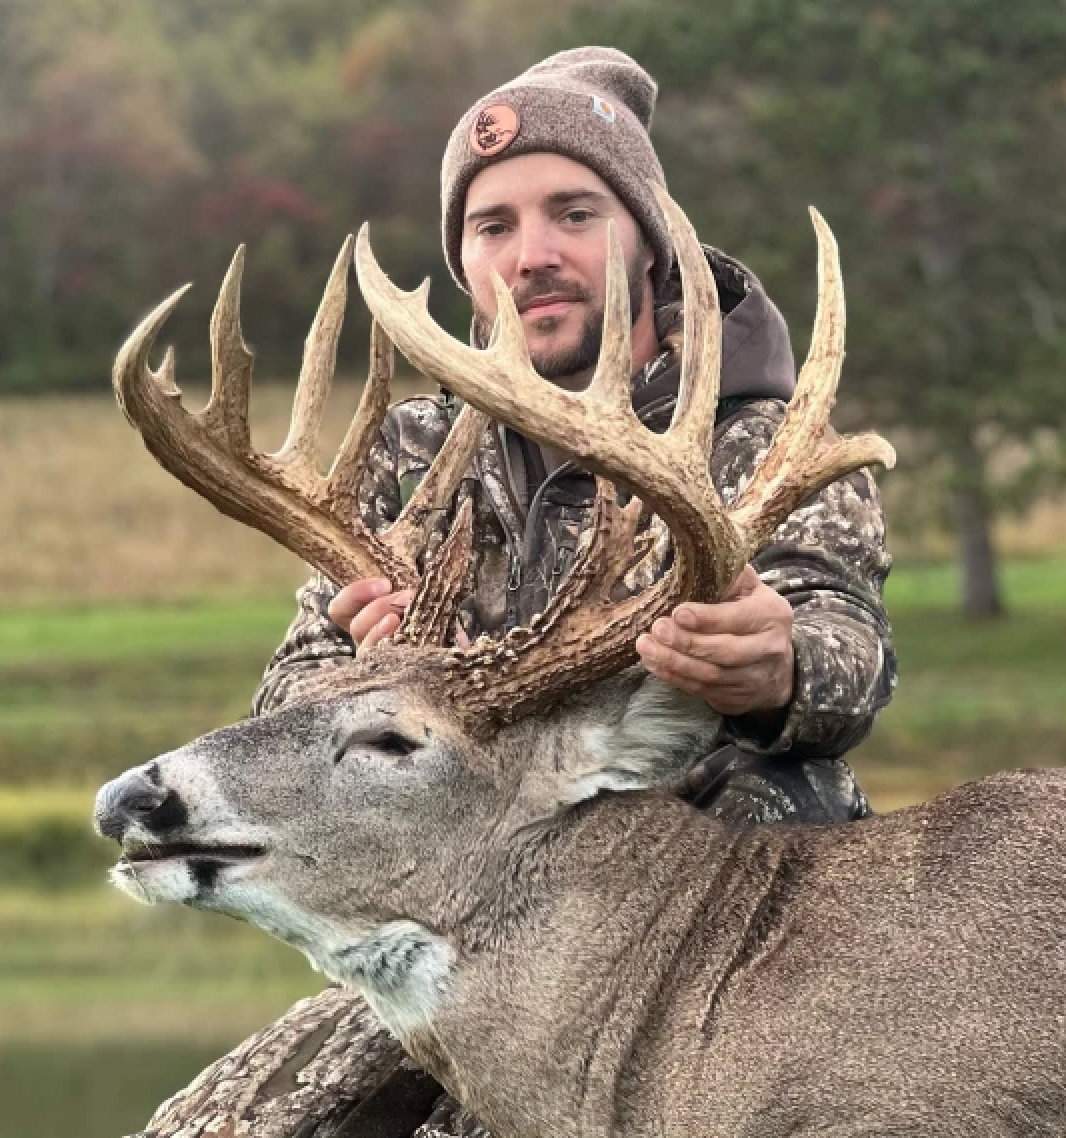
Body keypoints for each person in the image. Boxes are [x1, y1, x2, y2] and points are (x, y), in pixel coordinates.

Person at [247, 46, 895, 1137]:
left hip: (723, 915)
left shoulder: (758, 441)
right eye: (493, 226)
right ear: (461, 262)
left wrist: (778, 665)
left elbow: (850, 657)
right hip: (487, 907)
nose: (533, 254)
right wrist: (358, 679)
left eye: (574, 213)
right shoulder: (409, 458)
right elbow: (286, 706)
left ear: (647, 238)